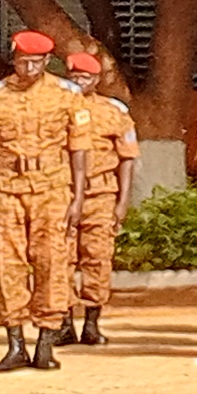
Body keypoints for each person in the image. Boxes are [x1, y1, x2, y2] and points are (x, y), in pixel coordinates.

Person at [0, 29, 88, 370]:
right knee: (9, 264)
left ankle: (46, 343)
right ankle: (15, 344)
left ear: (47, 61)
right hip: (7, 189)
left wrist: (78, 198)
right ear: (14, 59)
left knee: (52, 262)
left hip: (52, 189)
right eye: (24, 62)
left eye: (36, 62)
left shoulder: (67, 95)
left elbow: (78, 151)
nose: (30, 68)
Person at [61, 46, 134, 343]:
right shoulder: (56, 108)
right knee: (60, 257)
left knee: (98, 257)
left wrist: (123, 201)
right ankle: (63, 322)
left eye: (87, 77)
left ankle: (92, 322)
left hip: (101, 193)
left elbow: (127, 157)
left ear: (97, 79)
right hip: (61, 192)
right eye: (75, 76)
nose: (81, 81)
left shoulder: (113, 111)